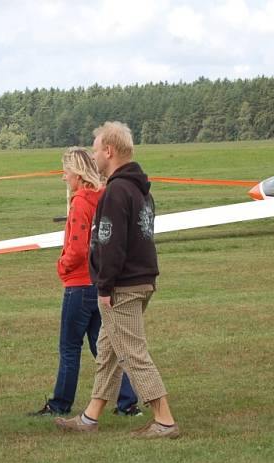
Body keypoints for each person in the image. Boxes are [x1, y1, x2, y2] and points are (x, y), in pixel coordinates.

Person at [56, 121, 180, 439]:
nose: (94, 155)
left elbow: (111, 244)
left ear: (109, 151)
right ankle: (90, 416)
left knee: (132, 352)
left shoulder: (115, 192)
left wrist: (105, 285)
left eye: (96, 149)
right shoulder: (141, 191)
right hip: (142, 279)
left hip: (122, 284)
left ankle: (164, 419)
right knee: (108, 350)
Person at [29, 147, 141, 417]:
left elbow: (78, 248)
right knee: (102, 346)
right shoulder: (103, 197)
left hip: (78, 284)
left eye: (66, 171)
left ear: (77, 174)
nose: (63, 177)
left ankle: (60, 404)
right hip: (98, 281)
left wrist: (62, 264)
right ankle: (128, 402)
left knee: (69, 347)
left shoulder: (80, 202)